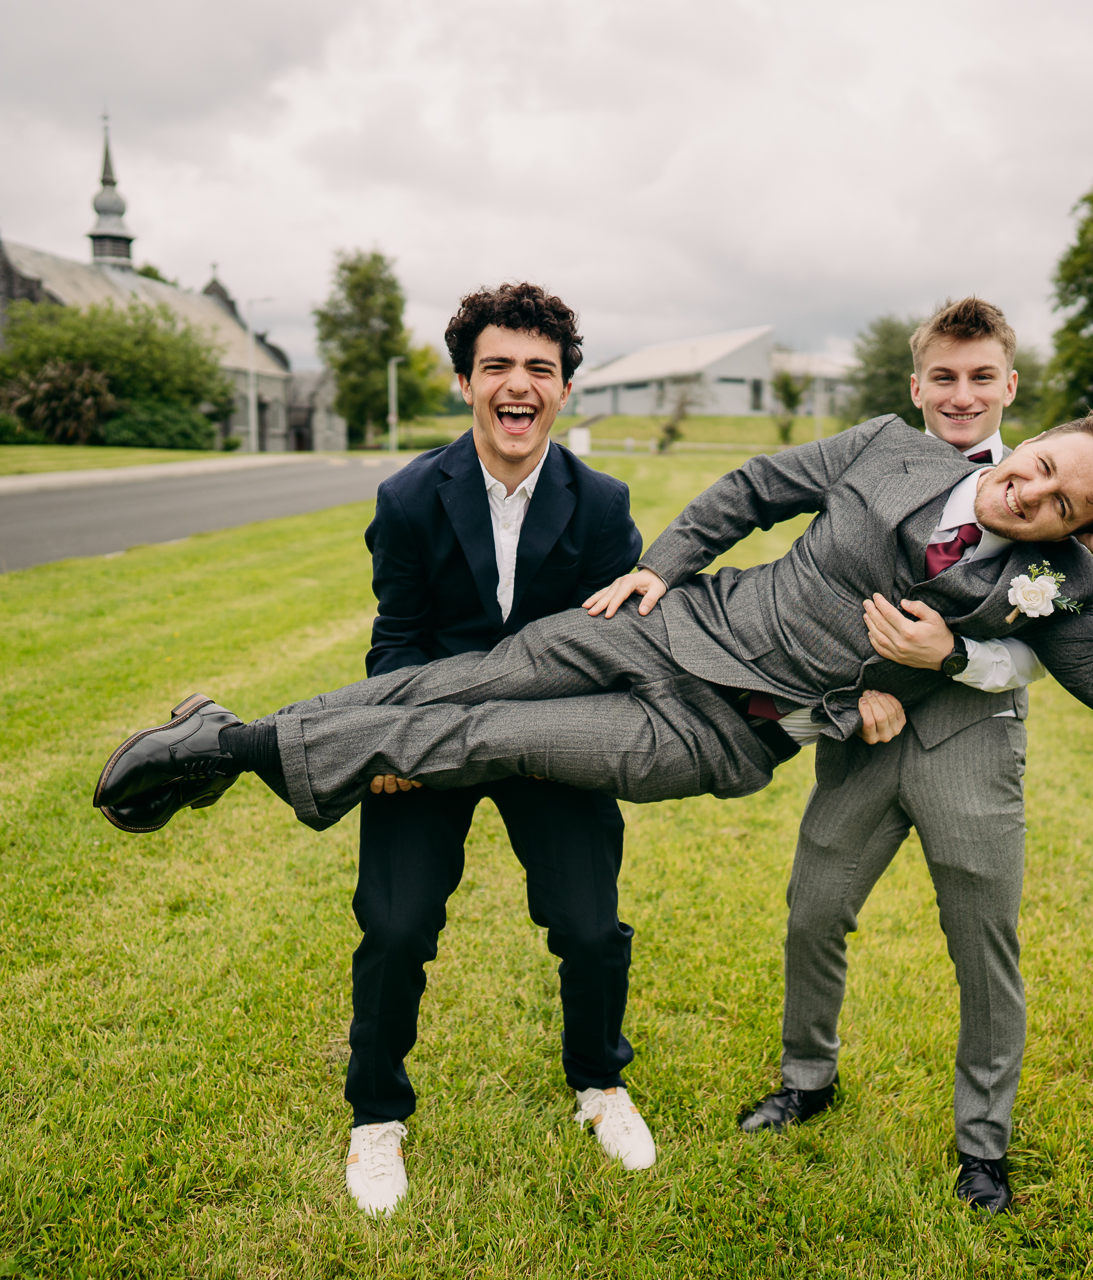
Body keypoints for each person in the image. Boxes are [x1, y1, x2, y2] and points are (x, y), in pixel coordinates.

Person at [96, 407, 1093, 842]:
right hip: (671, 626)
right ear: (1024, 440)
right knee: (467, 678)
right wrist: (660, 567)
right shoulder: (893, 444)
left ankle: (227, 744)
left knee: (493, 738)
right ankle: (224, 749)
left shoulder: (1055, 589)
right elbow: (755, 486)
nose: (1032, 495)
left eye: (1065, 505)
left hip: (728, 731)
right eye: (1038, 465)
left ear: (1080, 525)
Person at [735, 298, 1093, 1217]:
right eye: (944, 375)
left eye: (983, 377)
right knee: (813, 911)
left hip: (971, 744)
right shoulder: (884, 457)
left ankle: (984, 1146)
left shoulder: (1055, 501)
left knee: (983, 949)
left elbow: (1039, 651)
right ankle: (806, 1081)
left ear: (1010, 386)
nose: (963, 394)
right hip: (863, 736)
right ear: (917, 384)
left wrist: (946, 660)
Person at [333, 284, 654, 1216]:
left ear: (563, 389)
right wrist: (393, 739)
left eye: (539, 370)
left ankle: (599, 1087)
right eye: (498, 367)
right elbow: (397, 638)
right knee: (394, 928)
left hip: (551, 740)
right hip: (428, 737)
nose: (518, 386)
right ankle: (376, 1117)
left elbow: (609, 646)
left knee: (590, 928)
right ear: (466, 382)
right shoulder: (407, 498)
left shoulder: (601, 504)